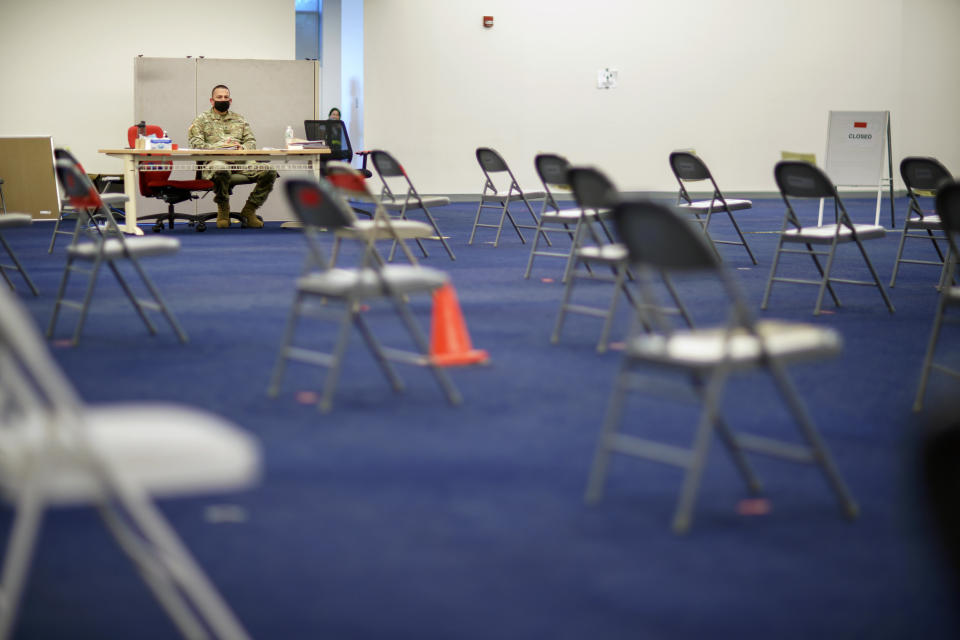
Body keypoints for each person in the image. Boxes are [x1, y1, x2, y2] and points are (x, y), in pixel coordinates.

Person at [187, 84, 277, 229]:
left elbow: (251, 141)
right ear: (212, 100)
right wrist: (220, 148)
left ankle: (249, 211)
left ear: (230, 100)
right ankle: (223, 209)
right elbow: (195, 144)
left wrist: (243, 147)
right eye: (219, 97)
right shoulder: (201, 120)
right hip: (215, 163)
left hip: (240, 162)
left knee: (269, 171)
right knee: (220, 169)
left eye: (226, 97)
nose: (223, 99)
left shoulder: (239, 119)